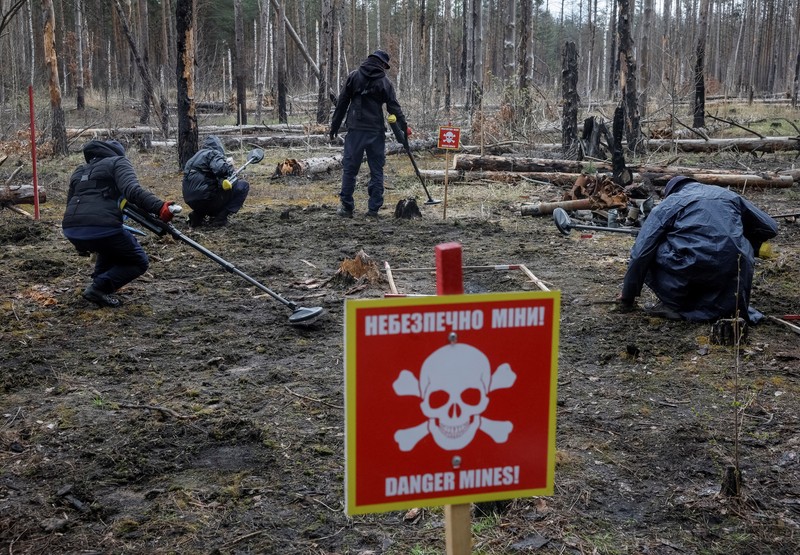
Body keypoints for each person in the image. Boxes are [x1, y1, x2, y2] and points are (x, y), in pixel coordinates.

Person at [619, 175, 778, 322]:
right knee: (742, 246)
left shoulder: (670, 203)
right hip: (733, 268)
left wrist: (628, 297)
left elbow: (640, 253)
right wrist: (742, 236)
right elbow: (770, 227)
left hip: (692, 267)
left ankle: (676, 305)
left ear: (671, 192)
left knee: (652, 246)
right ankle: (719, 307)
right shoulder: (727, 195)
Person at [62, 140, 177, 308]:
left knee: (108, 247)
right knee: (138, 261)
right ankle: (98, 288)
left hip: (71, 228)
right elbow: (132, 191)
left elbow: (70, 203)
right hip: (101, 226)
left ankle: (99, 284)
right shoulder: (118, 162)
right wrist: (160, 207)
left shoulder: (80, 170)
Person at [329, 49, 409, 218]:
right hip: (375, 131)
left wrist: (334, 126)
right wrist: (404, 126)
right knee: (376, 170)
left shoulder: (354, 76)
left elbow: (342, 103)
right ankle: (373, 210)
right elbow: (394, 107)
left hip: (355, 130)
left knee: (350, 169)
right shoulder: (385, 82)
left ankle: (346, 208)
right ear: (382, 64)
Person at [182, 135, 249, 227]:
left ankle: (197, 215)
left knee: (208, 192)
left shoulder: (193, 159)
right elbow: (221, 169)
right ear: (218, 146)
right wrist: (230, 166)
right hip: (206, 198)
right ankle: (220, 218)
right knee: (243, 186)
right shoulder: (213, 153)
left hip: (191, 201)